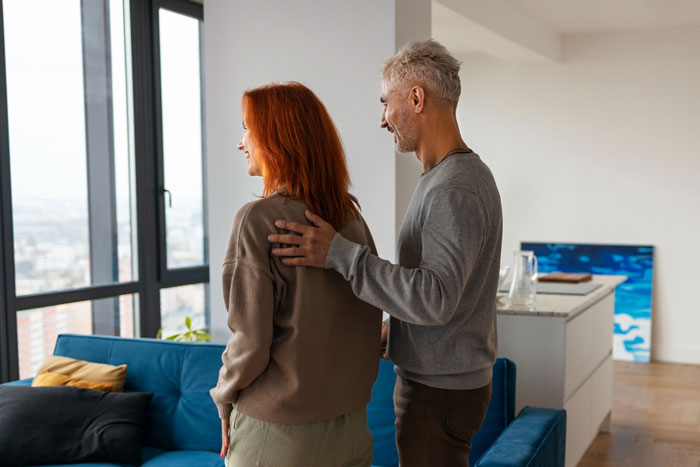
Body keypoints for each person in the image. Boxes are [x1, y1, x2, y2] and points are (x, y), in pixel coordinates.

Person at [267, 40, 503, 466]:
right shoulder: (446, 177)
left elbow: (434, 298)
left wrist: (340, 254)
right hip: (442, 384)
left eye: (385, 103)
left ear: (416, 99)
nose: (382, 119)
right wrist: (397, 334)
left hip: (440, 392)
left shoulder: (455, 186)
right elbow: (446, 296)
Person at [210, 82, 382, 467]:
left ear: (276, 139)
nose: (241, 143)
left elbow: (250, 341)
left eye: (247, 129)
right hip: (351, 431)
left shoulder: (256, 220)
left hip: (277, 436)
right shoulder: (352, 221)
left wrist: (223, 398)